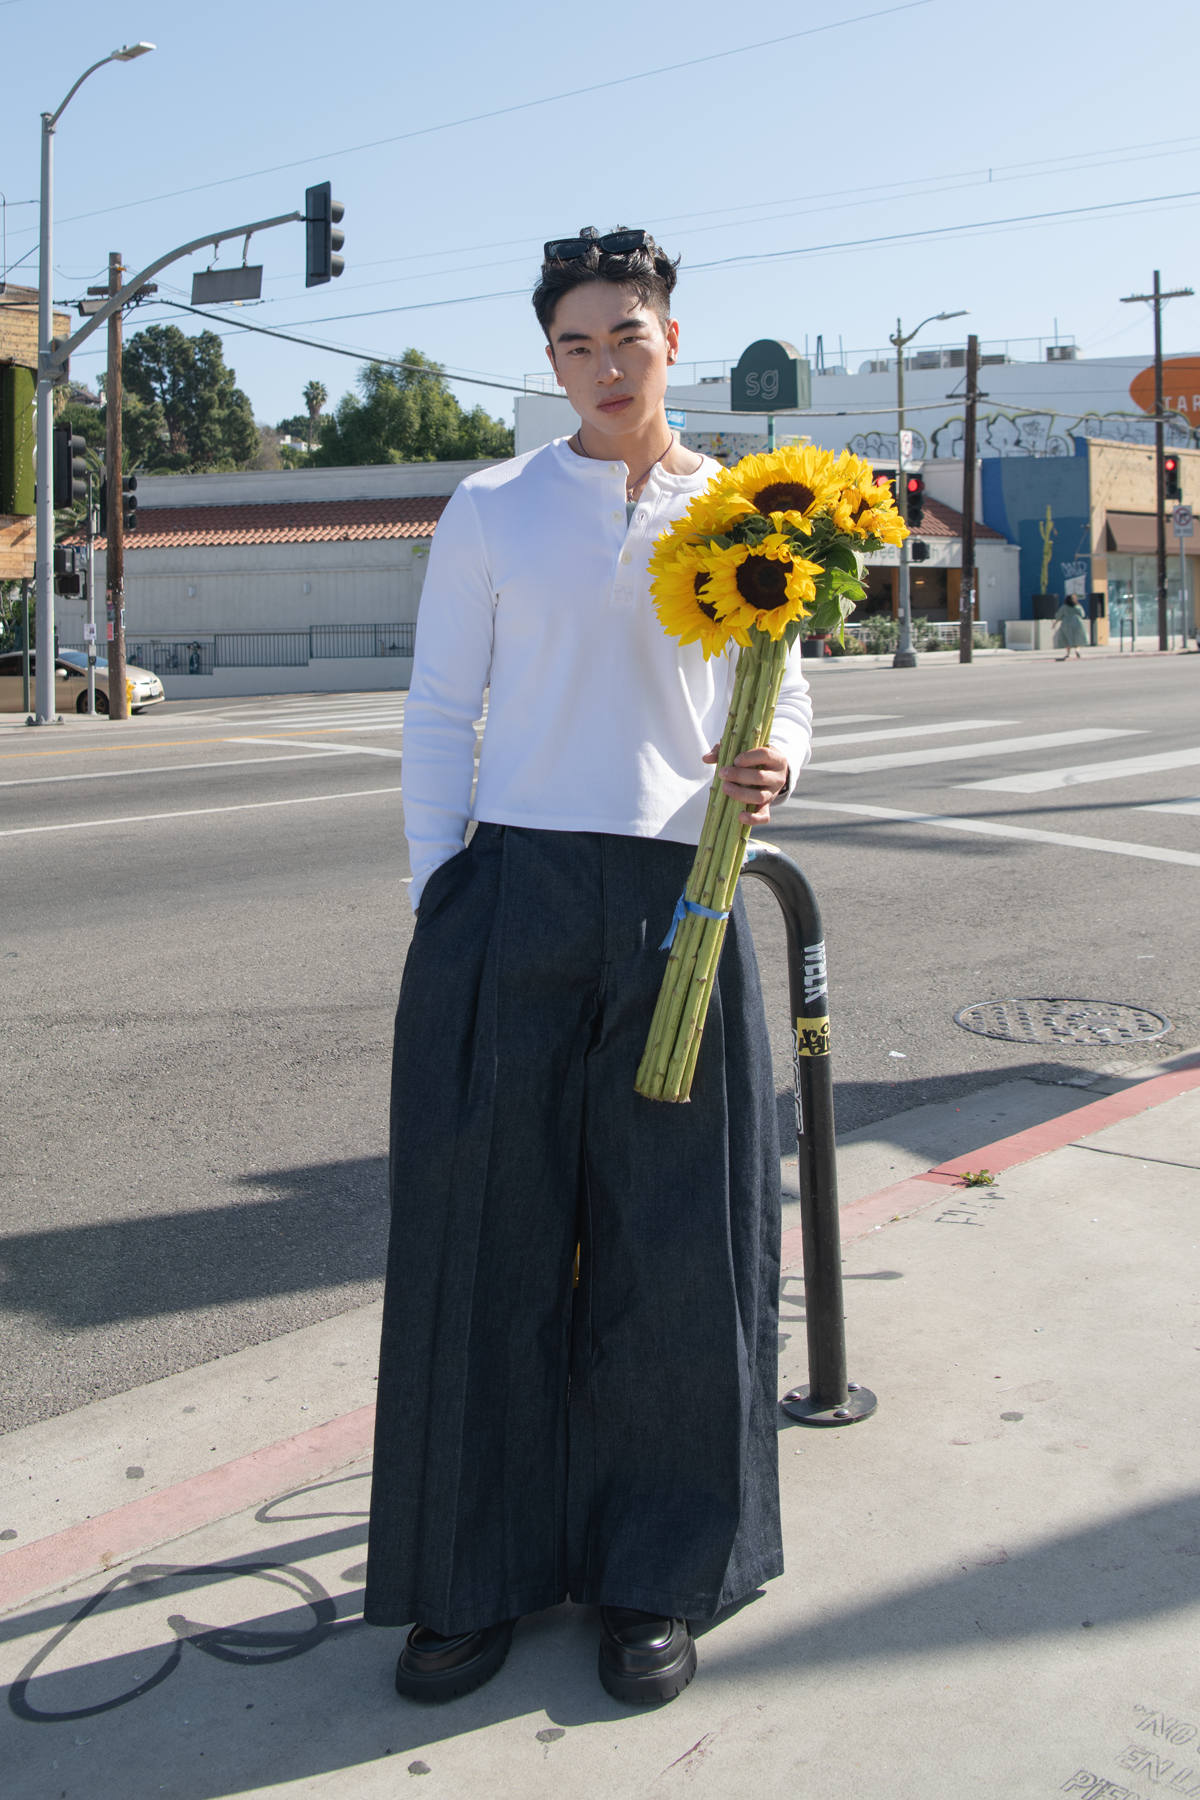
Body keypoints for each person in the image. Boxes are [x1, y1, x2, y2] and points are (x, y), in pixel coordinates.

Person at [364, 227, 813, 1708]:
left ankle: (655, 1574)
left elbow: (788, 682)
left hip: (684, 895)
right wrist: (449, 892)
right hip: (517, 888)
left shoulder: (749, 512)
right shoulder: (494, 507)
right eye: (576, 343)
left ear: (673, 338)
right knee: (483, 1241)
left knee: (676, 1252)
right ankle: (466, 1580)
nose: (606, 364)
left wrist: (778, 762)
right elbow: (441, 708)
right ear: (547, 358)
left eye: (629, 334)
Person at [1054, 594, 1088, 659]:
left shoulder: (1064, 607)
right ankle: (1077, 650)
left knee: (1067, 637)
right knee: (1076, 636)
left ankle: (1068, 653)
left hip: (1066, 623)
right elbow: (1082, 614)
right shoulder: (1077, 606)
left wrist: (1055, 623)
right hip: (1076, 622)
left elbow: (1059, 615)